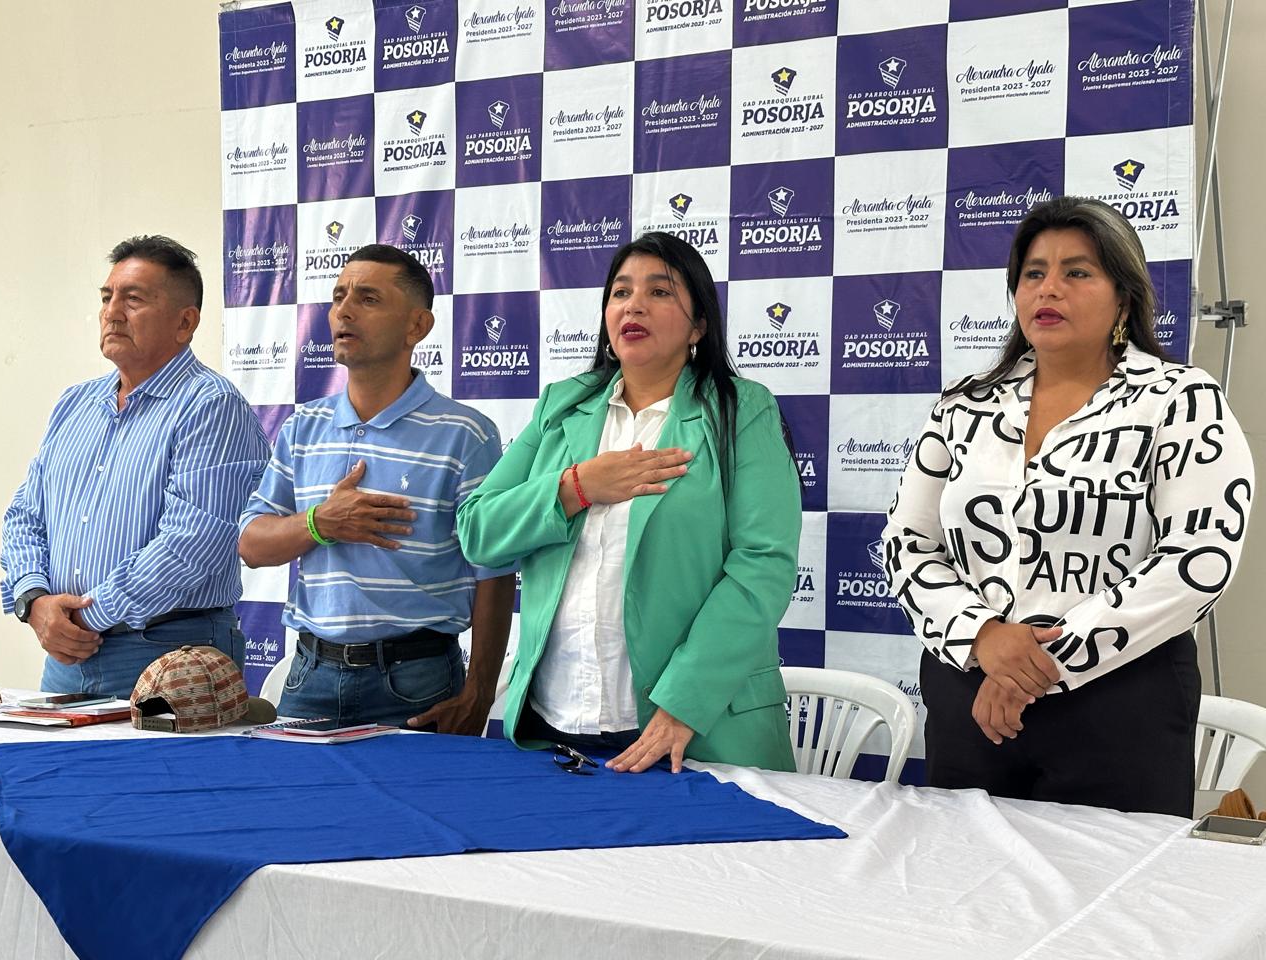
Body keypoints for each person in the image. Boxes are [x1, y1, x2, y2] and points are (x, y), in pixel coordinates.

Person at [883, 196, 1253, 816]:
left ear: (1124, 298)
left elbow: (1197, 560)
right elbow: (906, 543)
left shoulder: (1180, 400)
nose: (1048, 288)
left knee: (1113, 880)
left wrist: (1041, 663)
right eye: (1034, 273)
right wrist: (984, 637)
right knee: (962, 872)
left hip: (1118, 700)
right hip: (972, 695)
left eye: (1077, 272)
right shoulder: (963, 405)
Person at [457, 232, 801, 774]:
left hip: (689, 728)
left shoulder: (741, 409)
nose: (633, 305)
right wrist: (577, 487)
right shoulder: (560, 405)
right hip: (555, 721)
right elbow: (478, 531)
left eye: (659, 292)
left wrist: (684, 702)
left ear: (699, 325)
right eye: (621, 292)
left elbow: (763, 565)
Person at [239, 244, 515, 733]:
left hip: (419, 680)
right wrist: (320, 523)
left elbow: (493, 571)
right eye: (338, 296)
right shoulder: (303, 427)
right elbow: (252, 546)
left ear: (417, 326)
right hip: (310, 674)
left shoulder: (465, 433)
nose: (343, 311)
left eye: (367, 299)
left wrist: (479, 692)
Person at [0, 236, 270, 698]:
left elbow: (192, 545)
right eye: (107, 297)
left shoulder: (211, 405)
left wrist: (85, 615)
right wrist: (34, 600)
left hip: (171, 653)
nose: (112, 312)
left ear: (185, 322)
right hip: (67, 656)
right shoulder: (75, 403)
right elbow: (25, 515)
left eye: (133, 299)